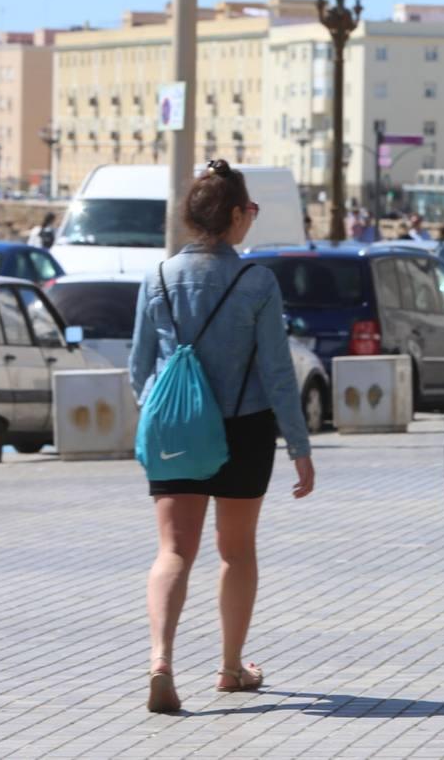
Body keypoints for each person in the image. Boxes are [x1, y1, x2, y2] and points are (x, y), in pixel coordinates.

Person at [128, 159, 315, 714]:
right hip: (245, 428)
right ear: (235, 215)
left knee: (173, 550)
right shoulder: (256, 281)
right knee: (235, 551)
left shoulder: (156, 278)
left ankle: (161, 660)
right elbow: (279, 374)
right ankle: (231, 668)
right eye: (249, 211)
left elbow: (140, 369)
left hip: (177, 430)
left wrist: (168, 413)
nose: (250, 221)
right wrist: (300, 448)